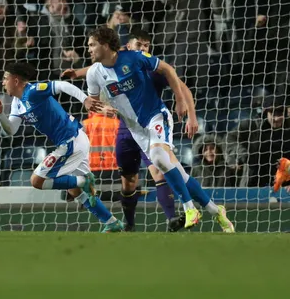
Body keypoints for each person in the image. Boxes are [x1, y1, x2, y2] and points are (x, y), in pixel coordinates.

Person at [84, 26, 234, 232]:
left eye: (92, 44)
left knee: (158, 158)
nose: (88, 49)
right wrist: (103, 108)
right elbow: (93, 103)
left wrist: (180, 101)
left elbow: (168, 70)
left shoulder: (135, 59)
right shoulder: (93, 73)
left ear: (105, 44)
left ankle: (189, 208)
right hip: (135, 130)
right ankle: (216, 211)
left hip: (156, 116)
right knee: (179, 175)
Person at [62, 30, 197, 231]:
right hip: (127, 130)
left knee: (160, 170)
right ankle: (129, 224)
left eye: (146, 45)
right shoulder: (115, 63)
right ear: (127, 47)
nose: (143, 48)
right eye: (139, 44)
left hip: (151, 127)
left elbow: (180, 85)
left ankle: (172, 218)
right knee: (129, 182)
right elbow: (100, 65)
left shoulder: (151, 68)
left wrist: (191, 116)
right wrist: (77, 73)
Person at [0, 60, 125, 233]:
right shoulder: (17, 102)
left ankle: (84, 180)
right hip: (74, 140)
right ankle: (111, 222)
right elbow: (11, 130)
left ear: (15, 80)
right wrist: (0, 114)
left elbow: (61, 85)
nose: (3, 82)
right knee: (74, 189)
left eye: (5, 78)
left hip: (71, 141)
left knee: (37, 181)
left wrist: (85, 99)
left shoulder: (33, 91)